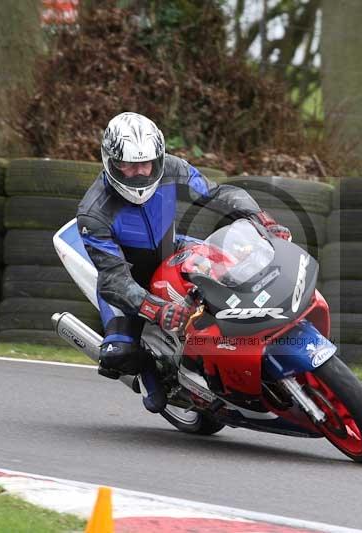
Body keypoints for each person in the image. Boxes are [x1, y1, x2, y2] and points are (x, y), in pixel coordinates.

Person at [77, 112, 291, 413]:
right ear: (110, 161)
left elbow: (217, 194)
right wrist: (156, 308)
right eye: (129, 165)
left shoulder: (173, 168)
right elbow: (114, 279)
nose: (140, 172)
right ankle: (151, 374)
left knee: (235, 272)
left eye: (146, 163)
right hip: (130, 279)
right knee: (119, 355)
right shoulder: (93, 213)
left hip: (172, 249)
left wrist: (260, 219)